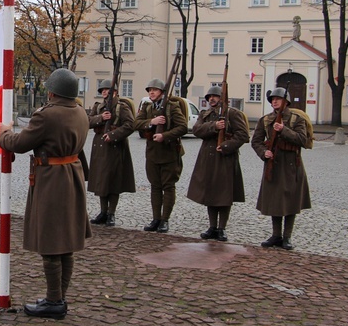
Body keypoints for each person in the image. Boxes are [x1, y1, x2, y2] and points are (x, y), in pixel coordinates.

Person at [0, 68, 91, 320]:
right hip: (72, 177)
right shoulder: (81, 112)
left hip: (52, 182)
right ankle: (59, 297)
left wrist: (4, 131)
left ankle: (53, 301)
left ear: (52, 91)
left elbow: (19, 143)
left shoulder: (47, 116)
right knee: (66, 244)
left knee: (51, 242)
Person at [186, 86, 249, 242]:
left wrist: (227, 145)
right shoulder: (205, 114)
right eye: (209, 97)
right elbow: (197, 130)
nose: (211, 99)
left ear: (222, 98)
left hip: (226, 158)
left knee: (224, 194)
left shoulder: (233, 114)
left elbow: (243, 135)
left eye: (215, 96)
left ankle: (222, 228)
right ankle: (212, 226)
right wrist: (214, 126)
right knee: (210, 193)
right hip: (208, 157)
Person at [251, 87, 311, 251]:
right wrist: (264, 153)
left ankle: (287, 237)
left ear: (286, 101)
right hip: (274, 164)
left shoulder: (296, 119)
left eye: (277, 99)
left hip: (292, 164)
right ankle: (276, 235)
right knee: (275, 201)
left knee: (291, 201)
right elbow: (255, 141)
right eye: (272, 99)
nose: (274, 101)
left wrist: (283, 130)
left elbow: (302, 140)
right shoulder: (265, 119)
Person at [133, 78, 187, 233]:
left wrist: (165, 135)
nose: (151, 92)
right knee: (155, 186)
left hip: (169, 152)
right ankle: (156, 218)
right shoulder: (147, 107)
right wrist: (152, 121)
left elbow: (183, 127)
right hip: (152, 153)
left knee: (168, 186)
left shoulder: (172, 107)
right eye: (149, 90)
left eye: (154, 90)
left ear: (162, 92)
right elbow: (136, 123)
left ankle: (165, 220)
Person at [86, 79, 135, 227]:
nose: (104, 93)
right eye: (102, 90)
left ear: (114, 92)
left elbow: (130, 125)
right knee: (101, 180)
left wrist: (114, 135)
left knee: (113, 181)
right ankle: (103, 211)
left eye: (107, 90)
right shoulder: (98, 107)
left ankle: (111, 213)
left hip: (115, 147)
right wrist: (101, 118)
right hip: (100, 146)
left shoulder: (122, 107)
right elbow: (87, 121)